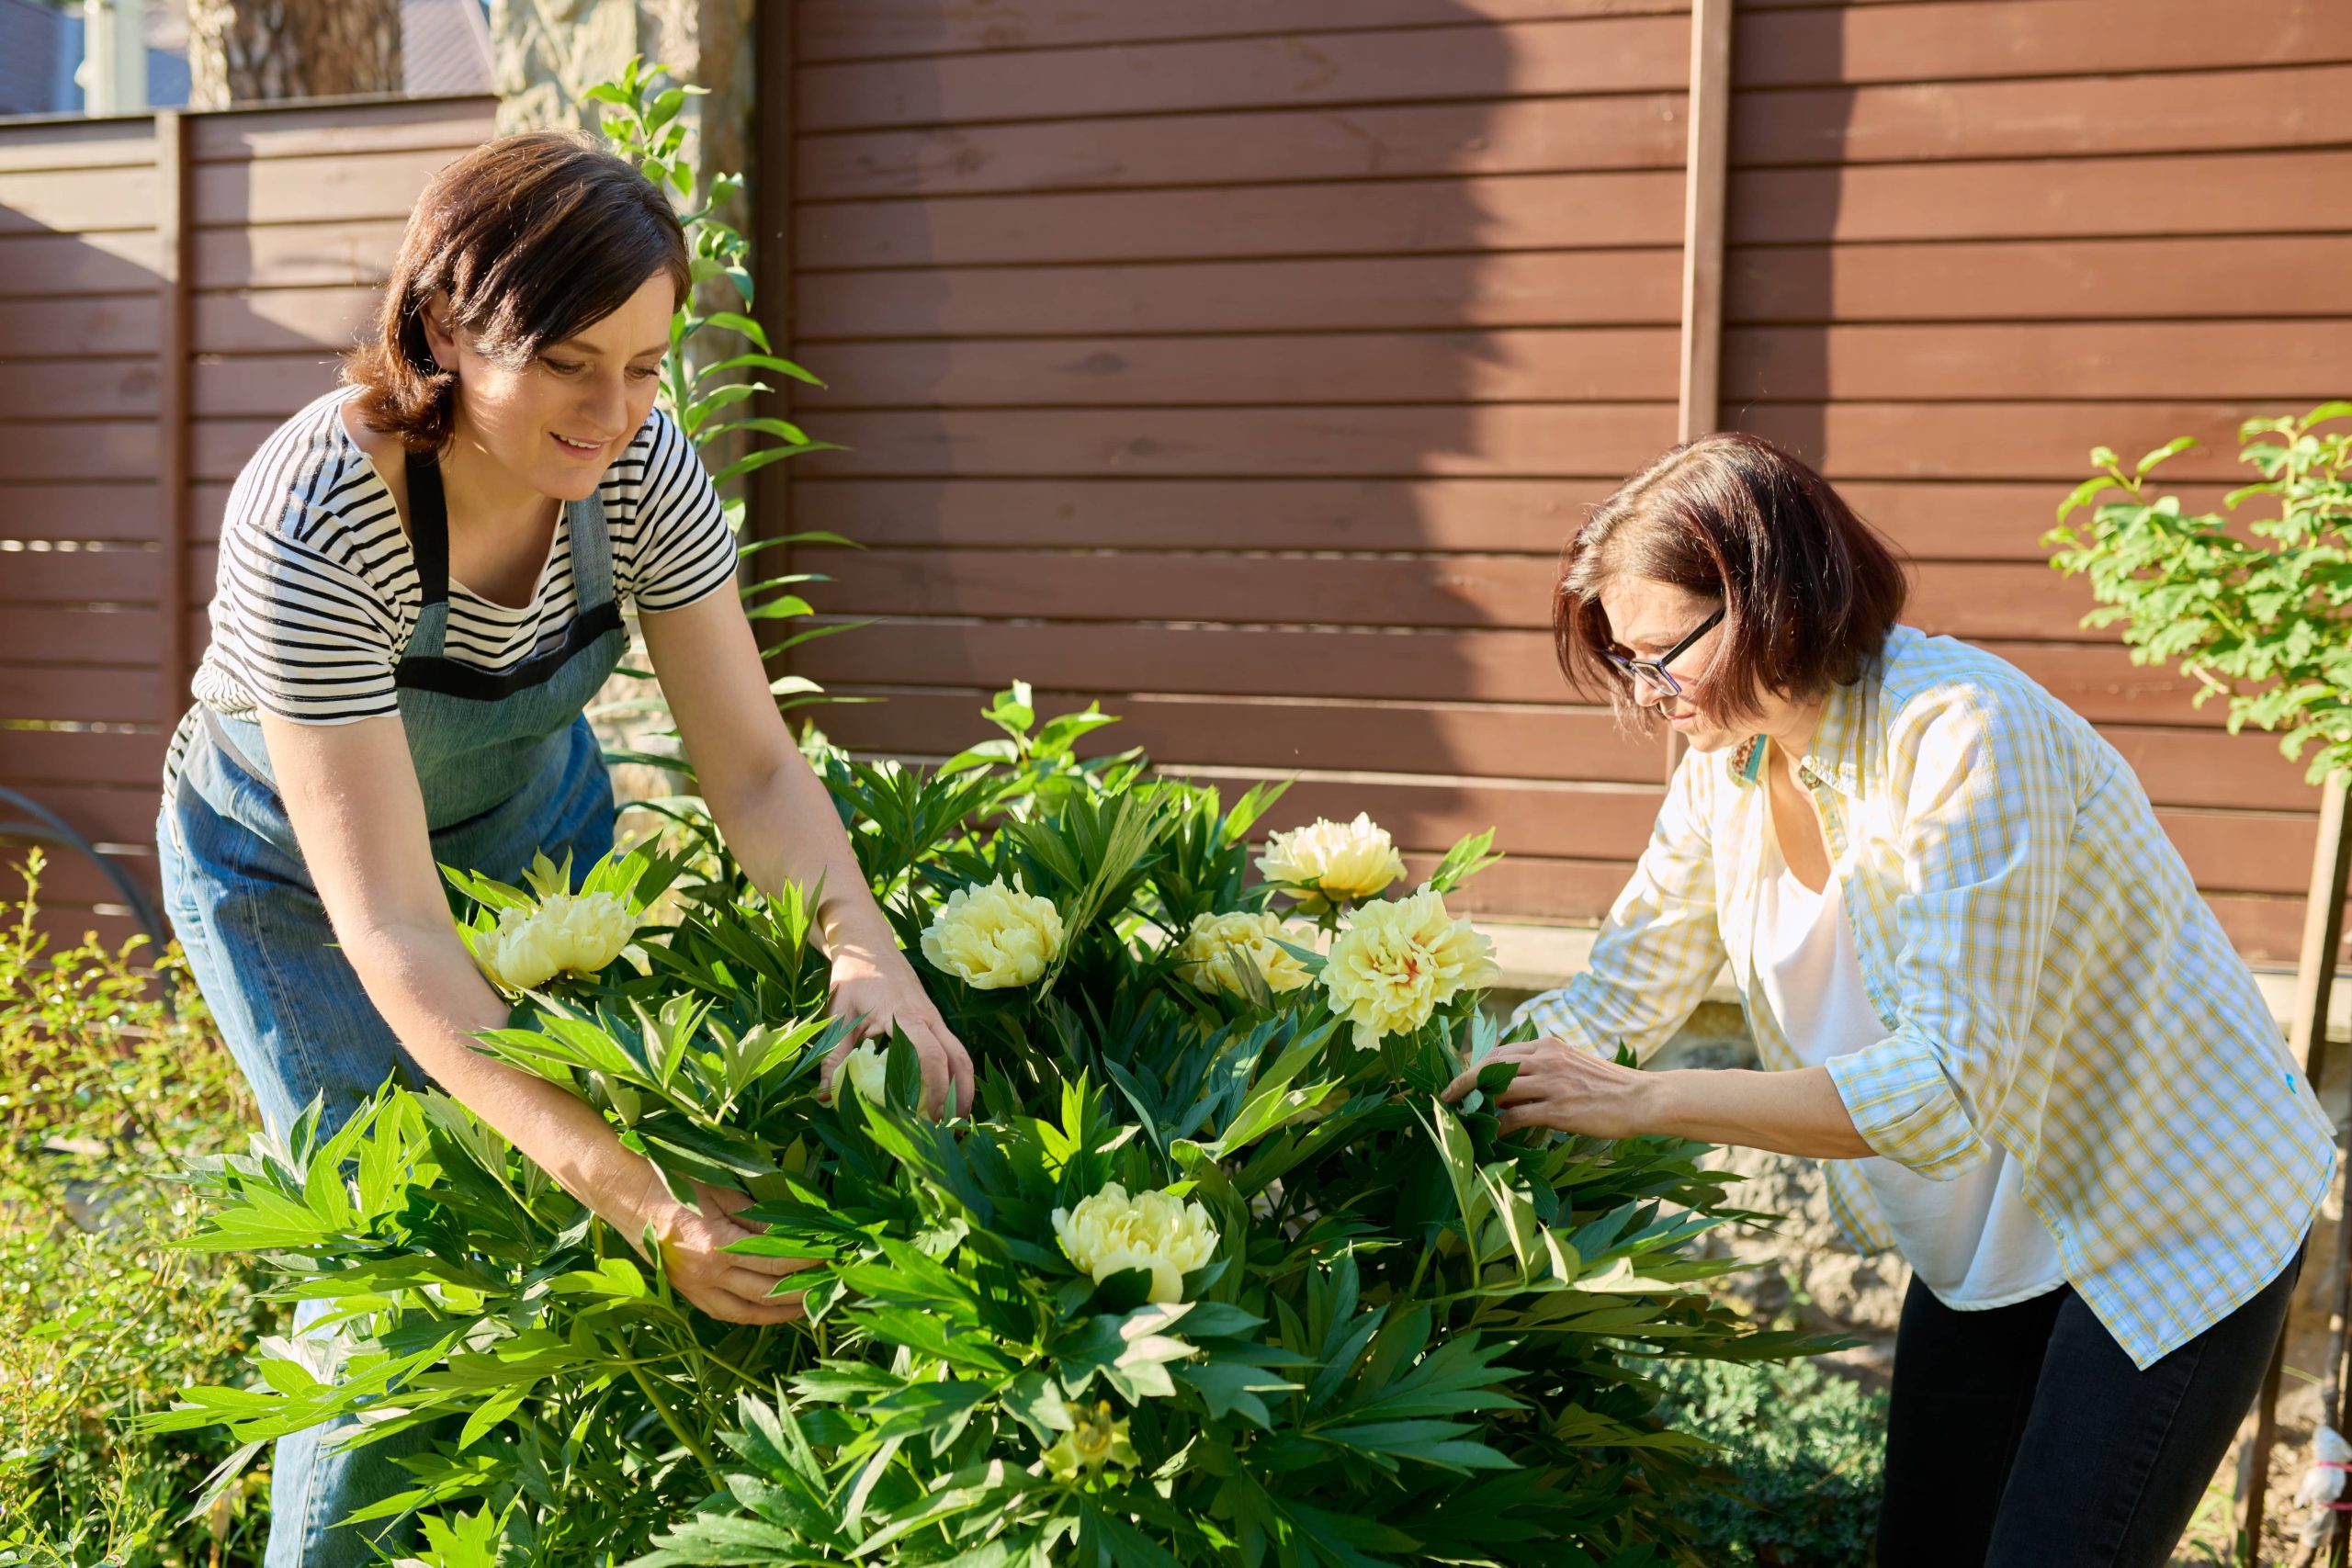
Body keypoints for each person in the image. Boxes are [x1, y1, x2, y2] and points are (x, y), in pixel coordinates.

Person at [154, 131, 971, 1567]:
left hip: (534, 831)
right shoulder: (314, 512)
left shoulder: (642, 464)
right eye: (571, 360)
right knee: (402, 1267)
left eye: (648, 363)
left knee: (601, 1222)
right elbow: (397, 928)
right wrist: (648, 1202)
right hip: (302, 885)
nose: (614, 411)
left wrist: (871, 956)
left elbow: (759, 766)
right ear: (445, 329)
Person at [1442, 432, 2333, 1566]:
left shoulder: (1964, 735)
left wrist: (1647, 1101)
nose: (1649, 696)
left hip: (2170, 1215)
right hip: (1993, 1233)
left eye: (1663, 655)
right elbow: (1625, 982)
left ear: (1775, 600)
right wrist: (1421, 1070)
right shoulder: (1730, 765)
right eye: (1628, 664)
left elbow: (1943, 1089)